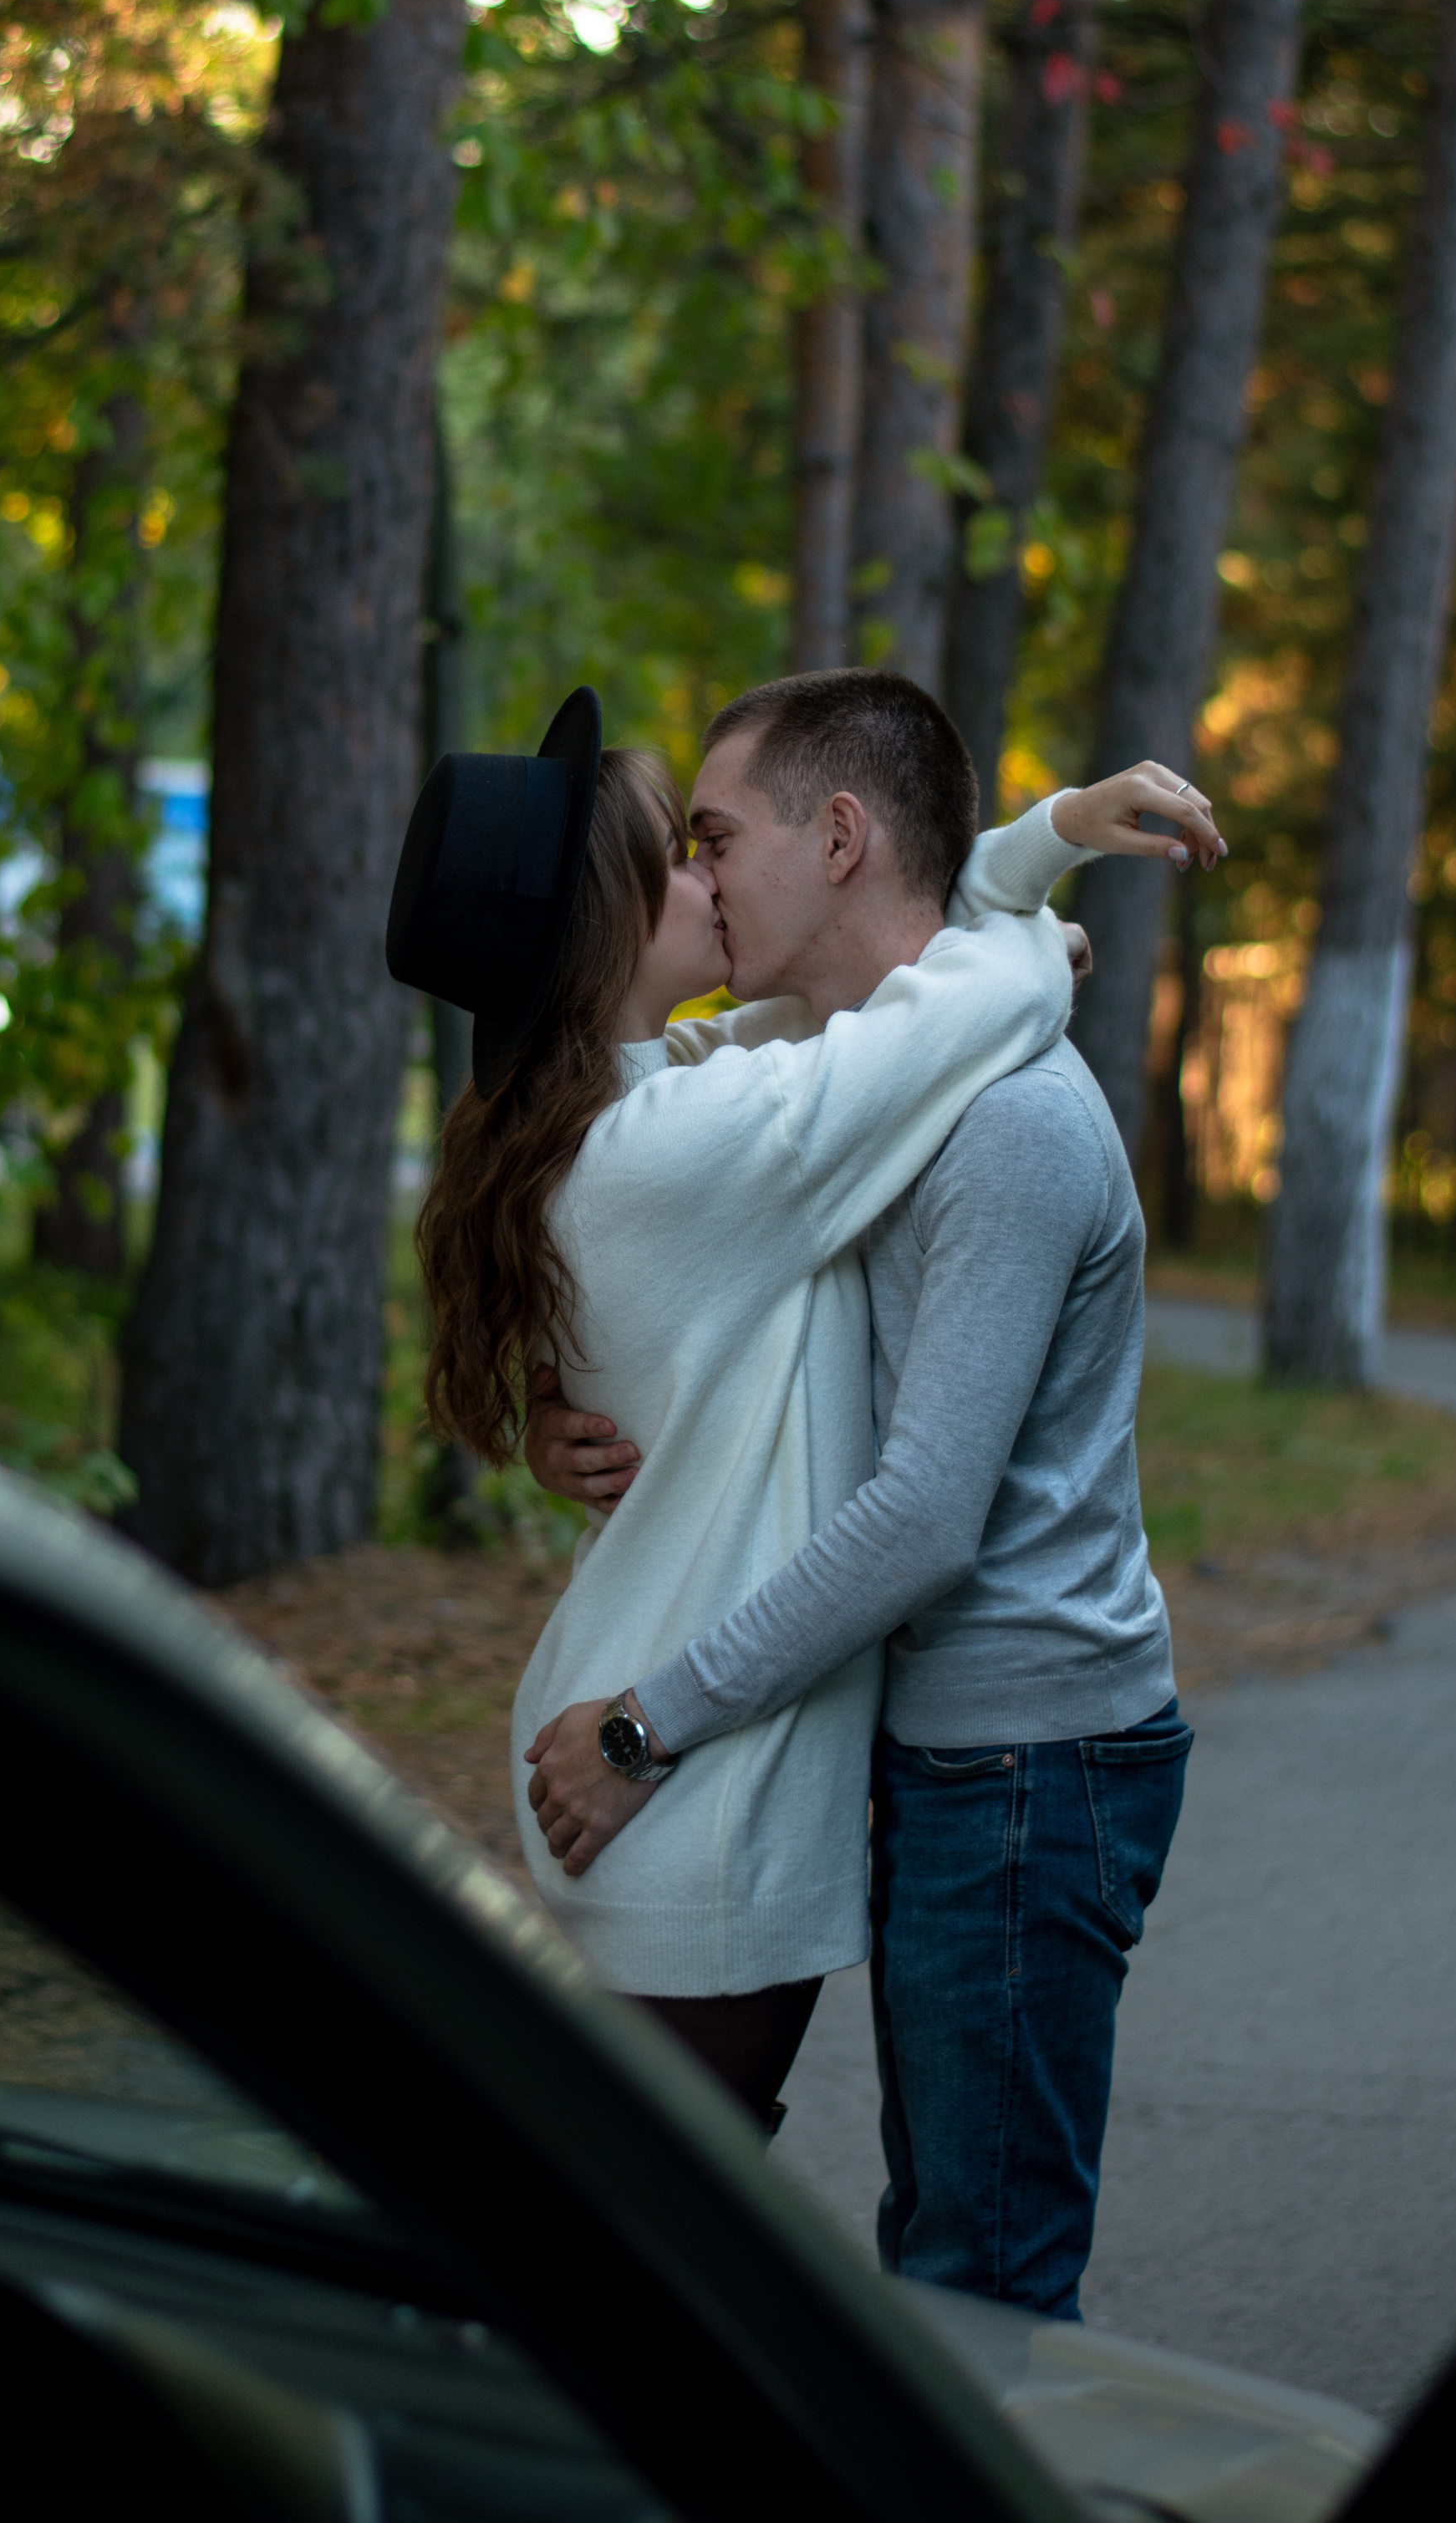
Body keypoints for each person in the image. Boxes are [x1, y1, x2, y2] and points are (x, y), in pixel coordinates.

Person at [387, 675, 1215, 2138]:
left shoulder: (639, 1097)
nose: (708, 874)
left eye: (712, 840)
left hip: (645, 1747)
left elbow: (872, 1008)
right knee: (652, 2268)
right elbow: (962, 1004)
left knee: (648, 2241)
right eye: (680, 851)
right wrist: (1030, 881)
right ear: (610, 924)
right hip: (668, 1780)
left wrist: (1018, 874)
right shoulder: (684, 1148)